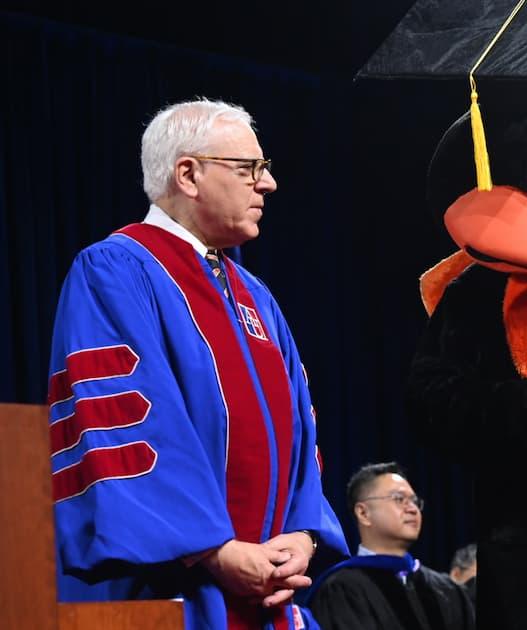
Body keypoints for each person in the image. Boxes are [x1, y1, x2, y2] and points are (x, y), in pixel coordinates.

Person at [47, 98, 348, 630]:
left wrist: (303, 536)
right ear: (188, 173)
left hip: (273, 592)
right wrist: (213, 550)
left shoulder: (255, 294)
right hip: (174, 590)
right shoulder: (118, 270)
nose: (268, 184)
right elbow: (126, 423)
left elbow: (301, 428)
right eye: (250, 168)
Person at [306, 463, 474, 630]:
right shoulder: (341, 589)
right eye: (399, 499)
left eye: (414, 501)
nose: (413, 509)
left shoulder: (448, 590)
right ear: (364, 513)